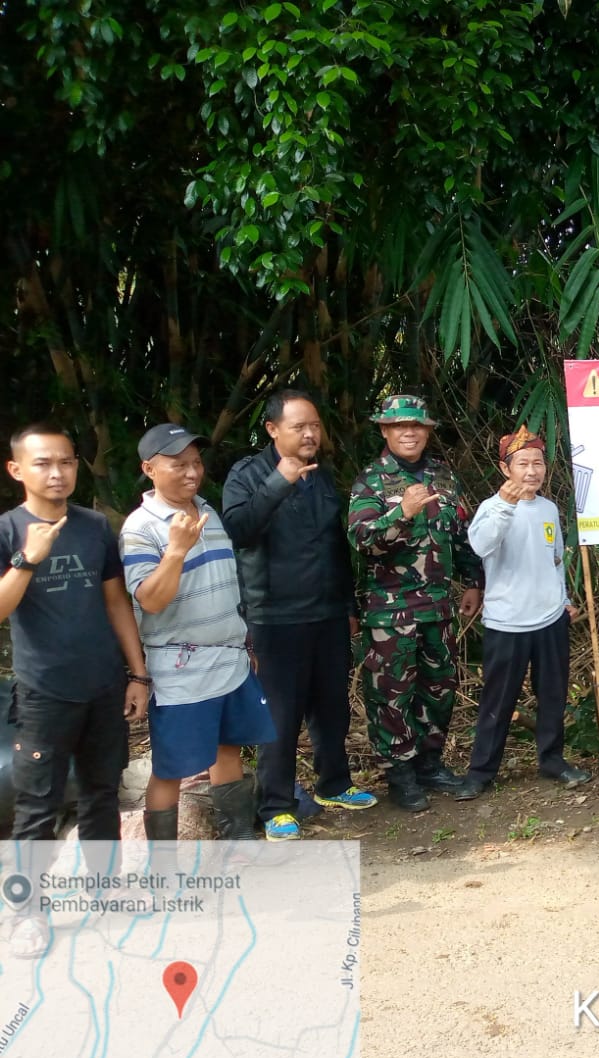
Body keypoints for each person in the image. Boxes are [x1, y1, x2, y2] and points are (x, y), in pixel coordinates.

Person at [1, 422, 150, 956]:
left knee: (101, 794)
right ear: (17, 470)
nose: (57, 472)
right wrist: (28, 557)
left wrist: (137, 674)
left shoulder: (92, 526)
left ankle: (107, 891)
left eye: (65, 461)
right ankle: (27, 914)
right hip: (45, 692)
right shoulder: (7, 531)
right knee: (36, 807)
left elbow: (116, 603)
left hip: (105, 685)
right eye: (43, 463)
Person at [222, 389, 376, 835]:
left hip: (326, 611)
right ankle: (275, 805)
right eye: (299, 427)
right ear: (272, 430)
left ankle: (334, 783)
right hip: (275, 616)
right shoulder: (248, 474)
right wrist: (279, 481)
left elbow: (335, 547)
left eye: (314, 426)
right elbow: (240, 529)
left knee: (331, 706)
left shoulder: (321, 476)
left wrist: (347, 605)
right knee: (281, 714)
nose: (310, 434)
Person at [122, 423, 278, 842]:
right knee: (172, 766)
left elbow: (228, 585)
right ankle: (164, 868)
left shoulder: (208, 513)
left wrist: (243, 643)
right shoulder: (141, 527)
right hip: (180, 666)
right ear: (149, 469)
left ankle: (239, 840)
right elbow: (150, 600)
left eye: (196, 463)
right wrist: (175, 550)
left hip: (228, 658)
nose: (192, 472)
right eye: (179, 465)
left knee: (229, 747)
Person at [348, 394, 484, 813]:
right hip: (391, 612)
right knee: (391, 695)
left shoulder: (443, 477)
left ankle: (429, 763)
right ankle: (400, 774)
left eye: (417, 426)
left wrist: (474, 581)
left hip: (439, 608)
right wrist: (400, 513)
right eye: (400, 426)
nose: (409, 432)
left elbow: (460, 533)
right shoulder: (371, 482)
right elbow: (362, 541)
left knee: (439, 688)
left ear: (427, 431)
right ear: (385, 431)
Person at [455, 428, 591, 798]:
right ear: (505, 468)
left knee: (552, 694)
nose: (531, 472)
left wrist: (563, 599)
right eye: (523, 464)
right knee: (498, 701)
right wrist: (504, 504)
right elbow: (481, 544)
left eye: (538, 464)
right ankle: (481, 772)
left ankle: (552, 761)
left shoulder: (548, 509)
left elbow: (556, 559)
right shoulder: (491, 507)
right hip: (506, 621)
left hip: (549, 618)